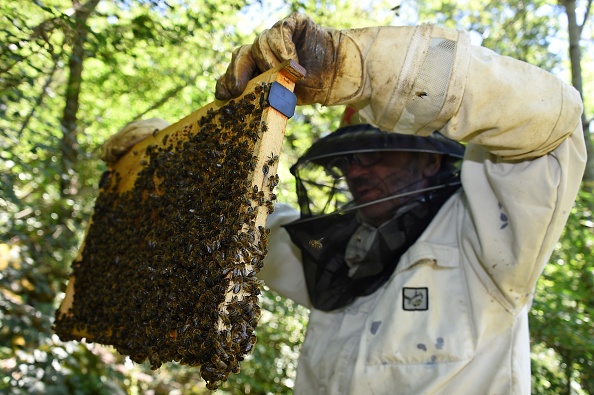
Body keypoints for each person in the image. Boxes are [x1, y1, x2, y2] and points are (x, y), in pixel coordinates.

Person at [214, 12, 587, 395]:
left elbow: (555, 125)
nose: (355, 172)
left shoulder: (487, 236)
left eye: (374, 152)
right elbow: (246, 223)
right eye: (348, 159)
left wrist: (358, 66)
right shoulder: (331, 254)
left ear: (428, 158)